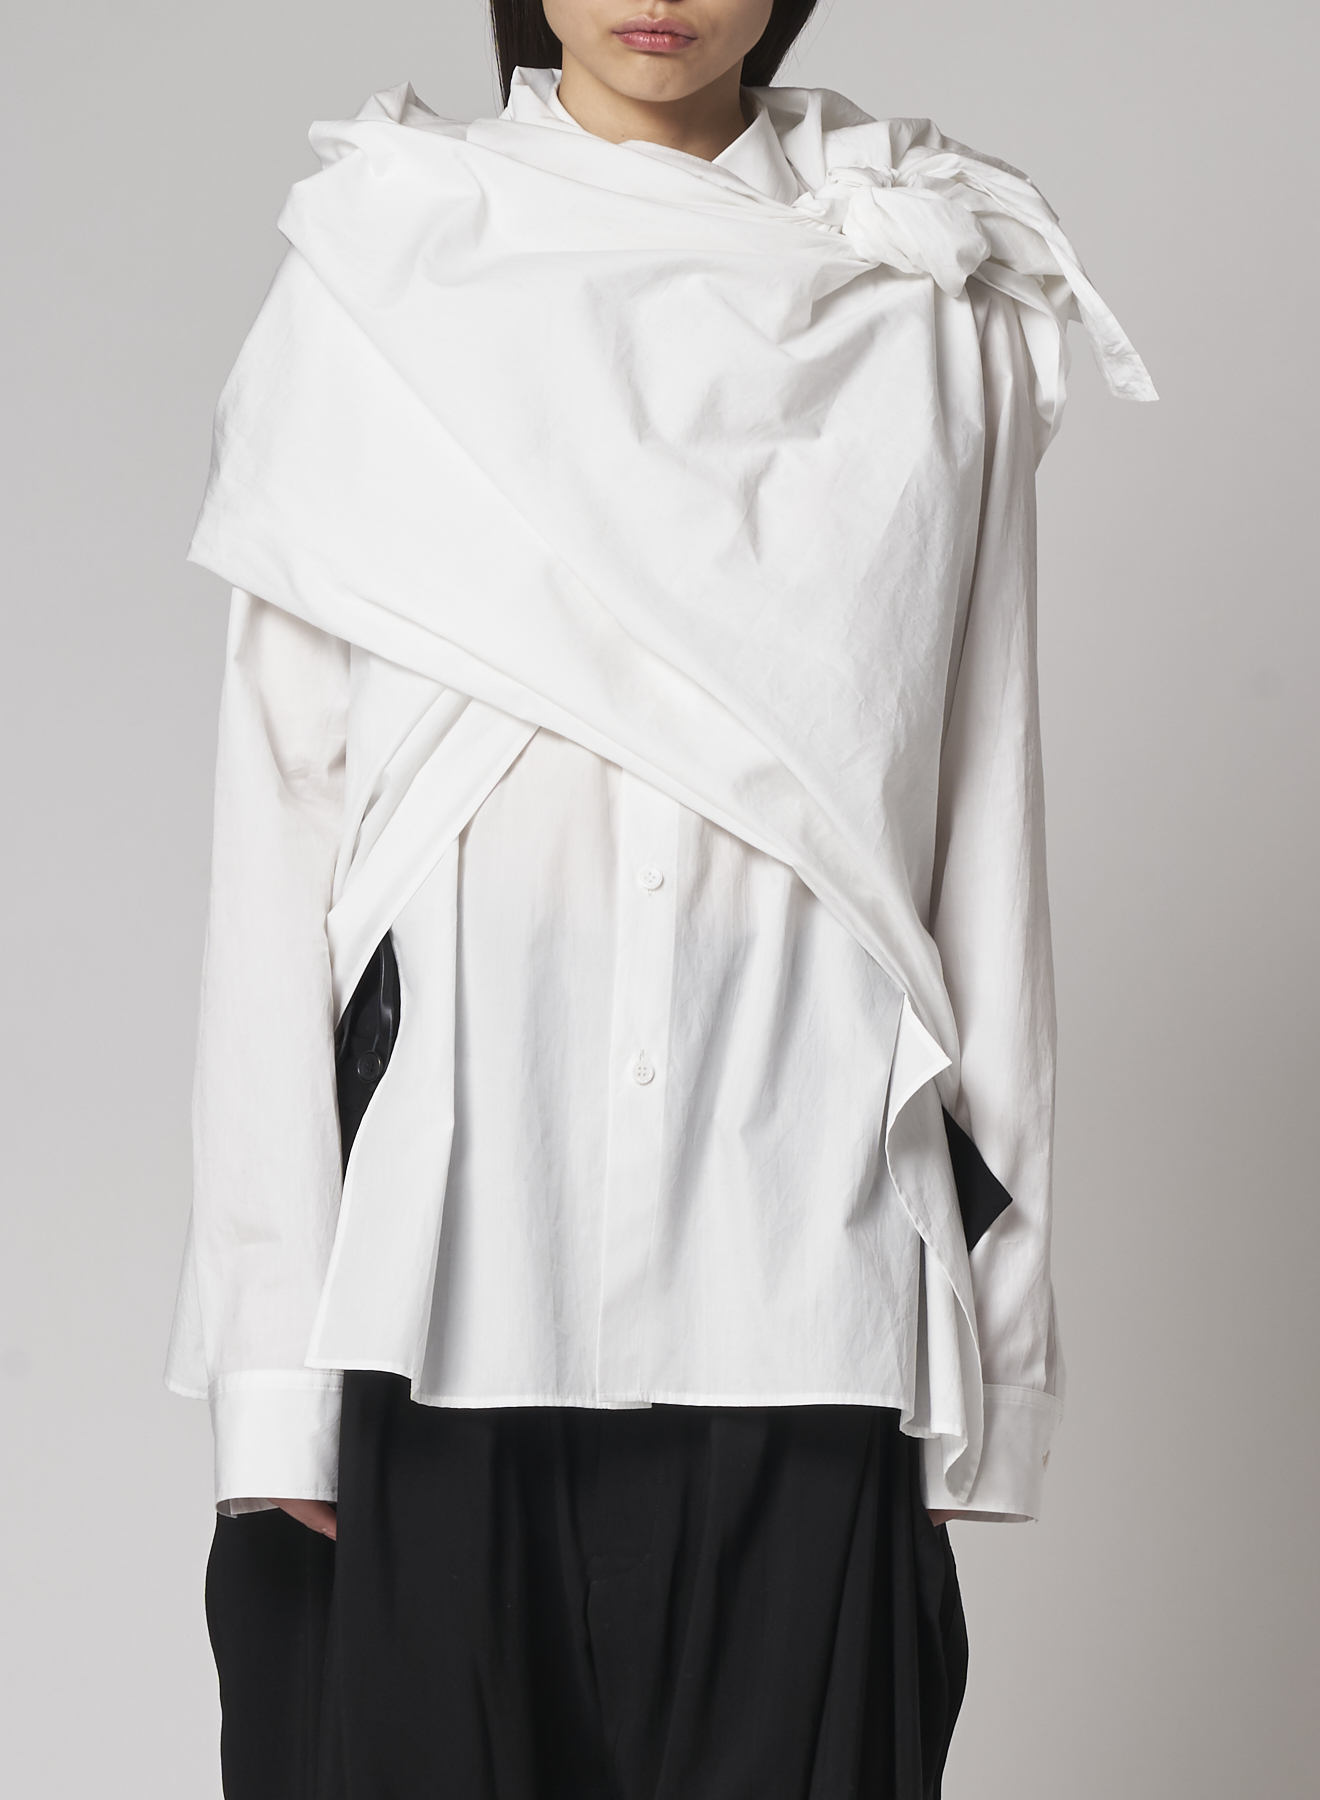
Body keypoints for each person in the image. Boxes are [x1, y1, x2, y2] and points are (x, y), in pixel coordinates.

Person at [167, 1, 1154, 1794]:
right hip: (433, 1288)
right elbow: (279, 841)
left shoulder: (923, 310)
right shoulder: (382, 274)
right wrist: (270, 1376)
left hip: (804, 1277)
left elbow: (981, 828)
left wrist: (993, 1354)